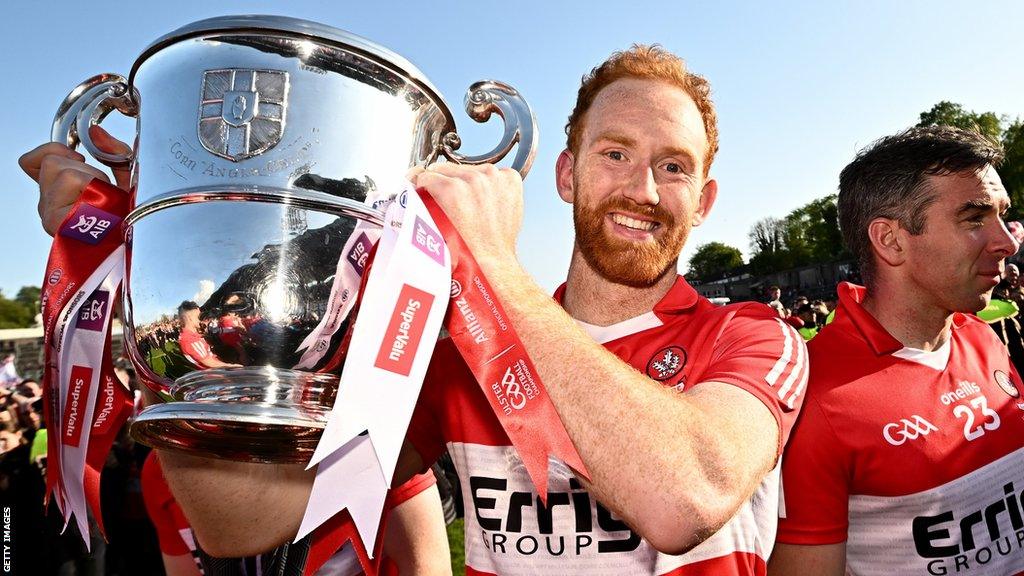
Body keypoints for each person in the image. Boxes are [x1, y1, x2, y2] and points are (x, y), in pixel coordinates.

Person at [22, 45, 807, 575]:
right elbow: (243, 524)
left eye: (672, 167)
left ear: (703, 201)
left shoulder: (754, 335)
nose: (641, 190)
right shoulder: (454, 351)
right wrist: (129, 241)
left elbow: (687, 497)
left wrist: (490, 265)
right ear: (565, 174)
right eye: (615, 154)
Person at [768, 126, 1024, 575]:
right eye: (974, 218)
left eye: (1003, 216)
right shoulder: (814, 398)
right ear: (890, 240)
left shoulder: (981, 337)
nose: (1007, 241)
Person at [176, 301, 239, 370]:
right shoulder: (188, 339)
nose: (201, 319)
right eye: (199, 316)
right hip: (215, 373)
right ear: (190, 318)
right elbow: (210, 362)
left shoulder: (191, 334)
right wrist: (232, 366)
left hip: (218, 364)